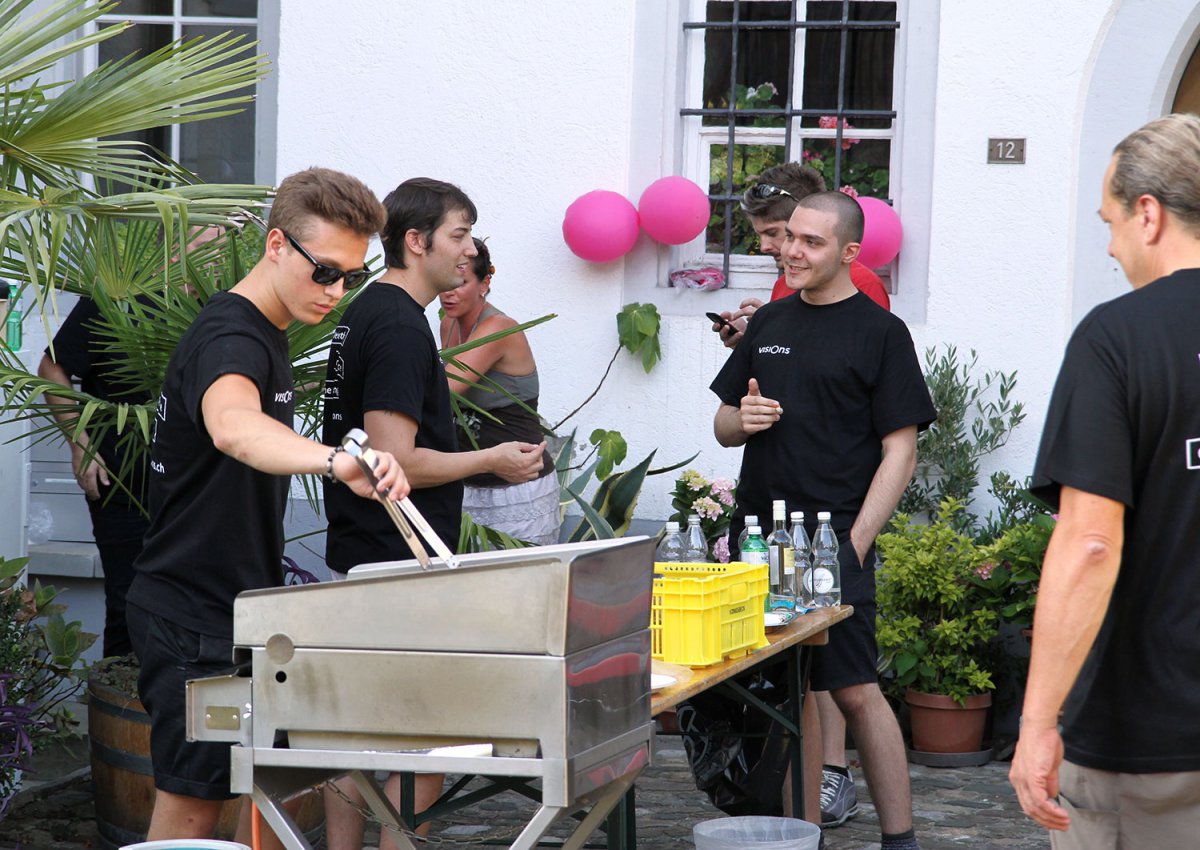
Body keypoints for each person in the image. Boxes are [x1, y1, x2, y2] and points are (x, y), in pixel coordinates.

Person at [123, 167, 410, 845]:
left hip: (234, 607)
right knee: (190, 812)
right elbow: (234, 426)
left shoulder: (267, 329)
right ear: (277, 244)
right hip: (190, 613)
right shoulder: (233, 337)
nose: (335, 291)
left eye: (352, 278)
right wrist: (335, 461)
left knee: (259, 798)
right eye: (325, 271)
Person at [321, 178, 544, 850]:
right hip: (398, 560)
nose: (470, 249)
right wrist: (489, 459)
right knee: (432, 741)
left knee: (354, 736)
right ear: (416, 242)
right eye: (460, 234)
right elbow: (393, 462)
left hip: (363, 552)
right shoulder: (397, 325)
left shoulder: (368, 308)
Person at [711, 191, 934, 850]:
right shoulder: (770, 323)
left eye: (811, 241)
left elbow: (901, 451)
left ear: (849, 252)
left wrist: (855, 544)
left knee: (856, 690)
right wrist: (742, 420)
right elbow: (724, 422)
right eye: (790, 237)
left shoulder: (881, 333)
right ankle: (800, 835)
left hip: (829, 541)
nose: (792, 251)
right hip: (762, 541)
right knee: (791, 694)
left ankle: (901, 840)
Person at [1009, 113, 1200, 848]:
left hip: (1150, 744)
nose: (1113, 248)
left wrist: (1037, 723)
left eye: (1110, 224)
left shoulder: (1116, 337)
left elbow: (1090, 544)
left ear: (1148, 215)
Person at [37, 228, 222, 658]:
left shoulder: (218, 311)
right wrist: (80, 444)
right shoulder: (118, 296)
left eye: (220, 247)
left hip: (193, 487)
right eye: (205, 245)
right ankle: (118, 697)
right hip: (121, 479)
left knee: (185, 608)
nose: (215, 259)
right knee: (128, 603)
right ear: (173, 247)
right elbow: (52, 368)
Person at [438, 237, 558, 545]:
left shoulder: (498, 328)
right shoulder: (449, 325)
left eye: (460, 282)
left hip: (517, 489)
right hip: (469, 483)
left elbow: (442, 390)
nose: (448, 292)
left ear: (484, 283)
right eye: (444, 280)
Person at [713, 162, 890, 351]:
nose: (764, 247)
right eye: (759, 235)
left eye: (773, 233)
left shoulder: (864, 284)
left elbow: (859, 360)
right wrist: (756, 342)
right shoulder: (784, 283)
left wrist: (775, 330)